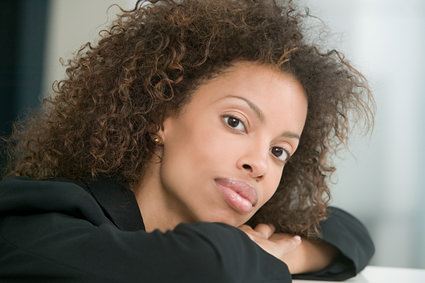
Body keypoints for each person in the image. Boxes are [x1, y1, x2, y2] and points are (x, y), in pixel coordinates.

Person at [0, 0, 375, 282]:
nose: (259, 164)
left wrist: (289, 255)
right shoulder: (38, 219)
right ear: (160, 118)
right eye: (235, 122)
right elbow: (208, 264)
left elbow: (348, 232)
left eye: (279, 151)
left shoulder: (240, 223)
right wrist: (260, 255)